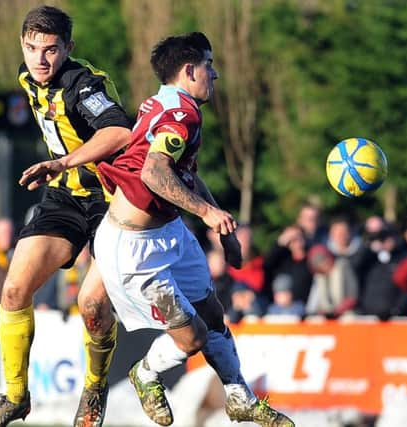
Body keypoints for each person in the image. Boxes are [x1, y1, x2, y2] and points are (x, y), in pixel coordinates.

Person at [94, 32, 294, 427]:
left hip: (170, 233)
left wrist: (222, 226)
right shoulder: (181, 114)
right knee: (193, 338)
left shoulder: (168, 102)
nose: (214, 75)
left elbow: (182, 174)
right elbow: (154, 171)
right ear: (190, 70)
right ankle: (146, 373)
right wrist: (205, 213)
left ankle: (240, 398)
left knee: (212, 312)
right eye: (209, 65)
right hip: (135, 248)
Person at [0, 6, 131, 427]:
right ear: (22, 45)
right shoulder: (27, 79)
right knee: (13, 292)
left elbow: (120, 131)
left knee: (92, 303)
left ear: (68, 49)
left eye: (51, 50)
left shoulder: (82, 85)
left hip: (110, 200)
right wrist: (62, 171)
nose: (40, 59)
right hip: (64, 197)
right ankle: (14, 397)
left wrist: (61, 163)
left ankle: (95, 390)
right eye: (31, 48)